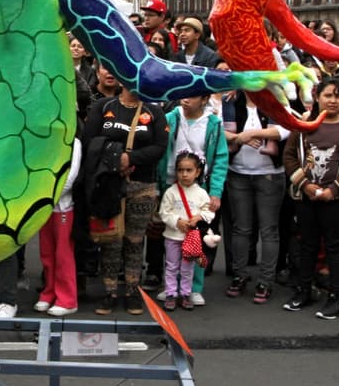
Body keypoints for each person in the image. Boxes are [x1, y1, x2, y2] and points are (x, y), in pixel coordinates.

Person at [282, 77, 339, 320]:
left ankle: (336, 297)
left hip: (337, 199)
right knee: (308, 244)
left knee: (334, 246)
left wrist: (335, 188)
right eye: (328, 95)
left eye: (338, 96)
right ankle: (304, 291)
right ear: (317, 97)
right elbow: (289, 156)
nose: (333, 101)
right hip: (306, 196)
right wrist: (306, 185)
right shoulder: (303, 124)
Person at [83, 80, 168, 316]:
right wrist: (114, 160)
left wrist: (130, 159)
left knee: (134, 240)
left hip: (142, 184)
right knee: (111, 239)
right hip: (109, 184)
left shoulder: (155, 111)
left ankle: (132, 291)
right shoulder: (103, 106)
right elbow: (90, 141)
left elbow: (160, 146)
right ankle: (109, 291)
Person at [224, 90, 289, 301]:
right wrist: (237, 138)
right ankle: (239, 275)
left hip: (269, 175)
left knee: (269, 229)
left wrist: (254, 134)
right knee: (240, 228)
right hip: (238, 174)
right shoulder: (231, 101)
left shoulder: (275, 100)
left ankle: (265, 280)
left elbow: (286, 128)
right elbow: (215, 127)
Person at [158, 151, 216, 310]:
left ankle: (185, 293)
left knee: (187, 268)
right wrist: (177, 221)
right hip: (172, 237)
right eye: (180, 170)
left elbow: (210, 212)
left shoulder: (201, 193)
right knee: (171, 266)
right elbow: (164, 212)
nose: (184, 174)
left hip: (191, 238)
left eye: (189, 170)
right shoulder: (171, 191)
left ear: (197, 172)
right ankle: (170, 293)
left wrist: (199, 217)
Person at [35, 136, 82, 317]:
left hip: (63, 205)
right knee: (47, 252)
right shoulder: (44, 139)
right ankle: (49, 292)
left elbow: (71, 176)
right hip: (44, 205)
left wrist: (49, 195)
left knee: (63, 253)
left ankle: (67, 299)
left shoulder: (73, 142)